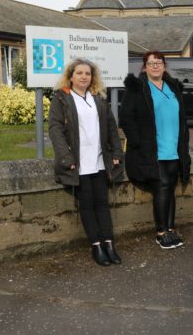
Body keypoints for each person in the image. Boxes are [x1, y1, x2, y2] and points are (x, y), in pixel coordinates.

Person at [49, 58, 124, 266]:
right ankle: (96, 246)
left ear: (92, 77)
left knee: (102, 203)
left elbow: (111, 128)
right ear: (70, 76)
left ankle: (109, 244)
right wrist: (66, 158)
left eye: (88, 73)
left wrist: (116, 152)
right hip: (78, 163)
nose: (84, 77)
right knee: (87, 205)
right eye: (79, 73)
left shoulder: (98, 99)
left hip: (100, 161)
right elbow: (55, 130)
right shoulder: (61, 98)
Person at [119, 51, 191, 250]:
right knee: (162, 185)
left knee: (170, 187)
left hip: (173, 148)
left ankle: (171, 228)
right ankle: (161, 232)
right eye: (151, 63)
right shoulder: (137, 89)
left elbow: (182, 118)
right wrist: (138, 142)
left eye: (159, 63)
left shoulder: (173, 87)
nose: (155, 66)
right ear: (145, 67)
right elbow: (126, 118)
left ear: (164, 66)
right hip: (151, 149)